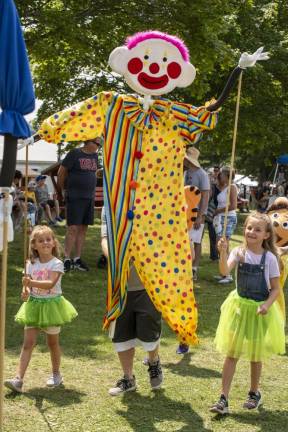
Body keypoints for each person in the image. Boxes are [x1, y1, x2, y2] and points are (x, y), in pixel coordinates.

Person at [210, 212, 285, 415]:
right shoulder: (238, 252)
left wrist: (267, 305)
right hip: (239, 309)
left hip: (259, 312)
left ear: (266, 235)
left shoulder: (269, 258)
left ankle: (254, 393)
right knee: (231, 354)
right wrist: (223, 252)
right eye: (249, 228)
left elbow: (276, 288)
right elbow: (225, 271)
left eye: (257, 229)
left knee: (254, 356)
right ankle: (223, 398)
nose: (251, 232)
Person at [4, 226, 77, 392]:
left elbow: (49, 284)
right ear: (34, 245)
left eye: (48, 239)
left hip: (52, 306)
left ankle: (56, 374)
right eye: (40, 240)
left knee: (52, 343)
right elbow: (27, 287)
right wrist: (26, 292)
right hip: (34, 305)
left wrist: (30, 284)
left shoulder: (57, 264)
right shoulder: (31, 264)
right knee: (28, 343)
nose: (45, 242)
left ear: (53, 243)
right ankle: (18, 379)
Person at [101, 207, 163, 395]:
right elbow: (105, 239)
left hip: (148, 284)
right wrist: (115, 258)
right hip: (121, 286)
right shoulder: (112, 202)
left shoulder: (150, 199)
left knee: (149, 331)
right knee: (122, 333)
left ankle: (153, 361)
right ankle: (128, 378)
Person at [57, 138, 100, 272]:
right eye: (97, 144)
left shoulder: (95, 156)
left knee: (83, 228)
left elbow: (94, 173)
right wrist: (63, 190)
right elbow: (61, 173)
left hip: (89, 197)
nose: (99, 147)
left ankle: (77, 259)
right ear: (89, 142)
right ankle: (66, 258)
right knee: (73, 228)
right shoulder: (74, 153)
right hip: (75, 196)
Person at [184, 147, 210, 282]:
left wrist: (200, 216)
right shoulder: (184, 171)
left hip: (197, 215)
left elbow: (205, 196)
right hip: (184, 214)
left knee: (196, 242)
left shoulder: (202, 174)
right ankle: (185, 267)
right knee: (186, 240)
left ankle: (195, 268)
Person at [213, 166, 238, 284]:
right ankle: (223, 272)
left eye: (222, 174)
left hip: (228, 217)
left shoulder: (232, 187)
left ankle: (227, 274)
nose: (219, 175)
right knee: (220, 245)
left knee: (223, 244)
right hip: (221, 217)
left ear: (227, 175)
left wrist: (218, 211)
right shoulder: (224, 187)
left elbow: (233, 206)